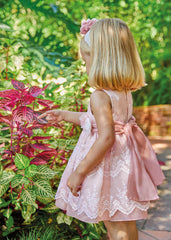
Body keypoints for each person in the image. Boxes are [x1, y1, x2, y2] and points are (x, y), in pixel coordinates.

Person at [38, 18, 165, 240]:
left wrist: (80, 171)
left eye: (86, 58)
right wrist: (64, 115)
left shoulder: (99, 95)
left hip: (105, 169)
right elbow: (98, 122)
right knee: (124, 224)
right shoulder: (123, 92)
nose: (84, 64)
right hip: (123, 165)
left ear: (101, 61)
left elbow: (105, 137)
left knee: (115, 229)